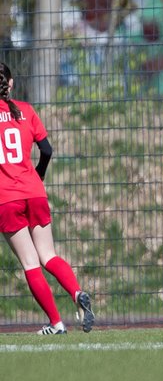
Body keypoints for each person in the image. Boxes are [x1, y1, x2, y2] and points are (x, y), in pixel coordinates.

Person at [0, 62, 94, 335]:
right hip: (34, 192)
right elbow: (47, 149)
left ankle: (57, 324)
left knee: (30, 263)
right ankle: (77, 293)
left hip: (6, 199)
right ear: (12, 83)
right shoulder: (25, 111)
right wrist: (37, 175)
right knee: (48, 255)